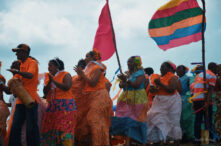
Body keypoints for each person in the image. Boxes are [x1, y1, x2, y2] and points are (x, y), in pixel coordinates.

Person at [74, 50, 112, 146]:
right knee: (89, 122)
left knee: (95, 120)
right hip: (91, 96)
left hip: (100, 95)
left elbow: (93, 83)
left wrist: (82, 74)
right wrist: (80, 74)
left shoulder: (97, 67)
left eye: (87, 56)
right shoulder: (88, 68)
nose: (85, 58)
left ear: (93, 58)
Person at [110, 56, 149, 145]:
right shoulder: (127, 73)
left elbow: (136, 84)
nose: (128, 63)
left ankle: (140, 141)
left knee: (137, 119)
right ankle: (127, 142)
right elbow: (121, 86)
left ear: (136, 63)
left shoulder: (140, 73)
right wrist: (123, 80)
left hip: (138, 99)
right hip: (126, 99)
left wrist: (126, 80)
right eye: (128, 61)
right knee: (125, 119)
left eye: (131, 62)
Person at [7, 44, 40, 146]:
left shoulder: (32, 63)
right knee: (15, 127)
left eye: (18, 52)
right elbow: (16, 80)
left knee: (31, 129)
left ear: (25, 52)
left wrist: (17, 72)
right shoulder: (21, 64)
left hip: (31, 101)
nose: (16, 54)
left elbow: (30, 75)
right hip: (21, 101)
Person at [41, 58, 77, 145]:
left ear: (57, 66)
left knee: (64, 128)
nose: (48, 67)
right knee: (51, 129)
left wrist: (54, 81)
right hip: (53, 106)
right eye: (48, 65)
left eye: (51, 65)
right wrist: (50, 81)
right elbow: (45, 92)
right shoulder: (48, 77)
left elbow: (67, 87)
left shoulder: (65, 74)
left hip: (66, 106)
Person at [146, 61, 182, 144]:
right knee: (154, 117)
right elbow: (155, 91)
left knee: (173, 121)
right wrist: (152, 88)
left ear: (169, 69)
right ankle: (159, 140)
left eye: (163, 67)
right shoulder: (159, 78)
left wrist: (160, 84)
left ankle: (176, 140)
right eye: (160, 67)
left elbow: (171, 89)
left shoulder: (173, 77)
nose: (161, 69)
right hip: (159, 101)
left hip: (172, 101)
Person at [192, 62, 217, 145]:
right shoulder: (212, 75)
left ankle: (197, 138)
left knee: (198, 119)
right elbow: (210, 90)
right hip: (204, 100)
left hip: (196, 99)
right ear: (214, 68)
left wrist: (193, 102)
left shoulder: (199, 74)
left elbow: (194, 88)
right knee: (208, 119)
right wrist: (207, 102)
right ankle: (209, 138)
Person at [176, 65, 194, 141]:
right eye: (177, 70)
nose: (177, 71)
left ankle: (187, 134)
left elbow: (191, 89)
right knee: (179, 118)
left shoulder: (188, 78)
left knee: (186, 117)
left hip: (186, 99)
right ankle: (182, 134)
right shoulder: (177, 79)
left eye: (179, 69)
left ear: (184, 70)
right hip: (177, 99)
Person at [214, 64, 221, 138]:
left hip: (219, 98)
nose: (218, 71)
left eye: (219, 69)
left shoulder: (217, 78)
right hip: (215, 99)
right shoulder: (216, 77)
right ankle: (218, 135)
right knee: (217, 117)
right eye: (217, 69)